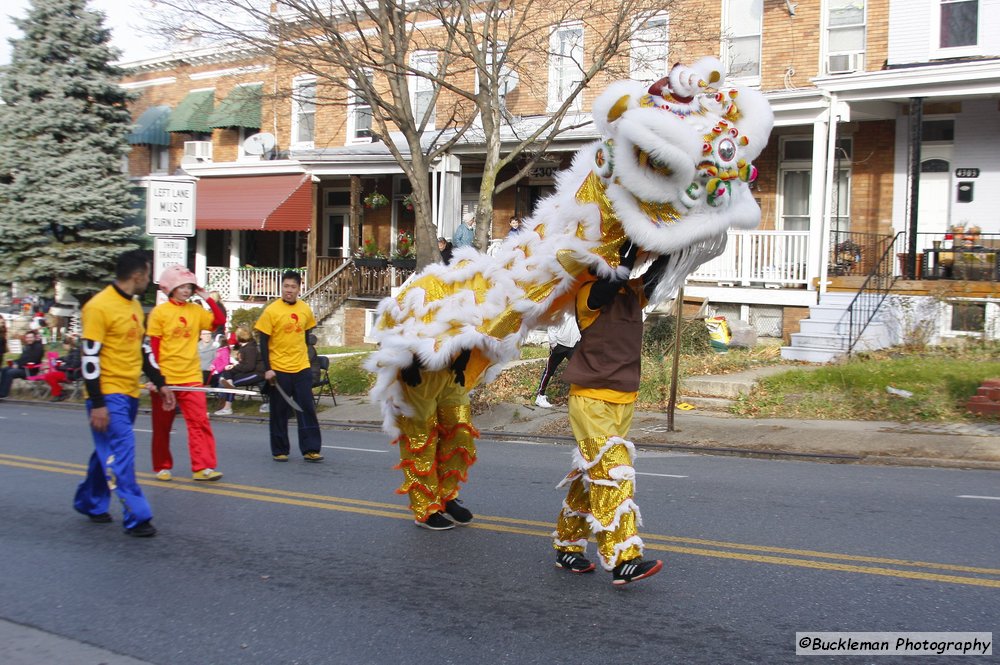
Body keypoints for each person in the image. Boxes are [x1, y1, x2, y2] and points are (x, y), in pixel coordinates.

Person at [552, 242, 668, 585]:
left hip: (624, 399)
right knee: (614, 475)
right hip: (591, 400)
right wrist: (628, 252)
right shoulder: (588, 293)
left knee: (592, 479)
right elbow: (610, 284)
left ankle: (567, 546)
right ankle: (623, 559)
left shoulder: (633, 293)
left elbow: (657, 277)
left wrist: (681, 242)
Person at [73, 248, 174, 537]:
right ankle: (137, 516)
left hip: (129, 392)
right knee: (122, 453)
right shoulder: (97, 307)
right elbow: (89, 358)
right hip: (107, 394)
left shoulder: (133, 305)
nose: (149, 280)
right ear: (137, 275)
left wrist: (161, 382)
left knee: (106, 452)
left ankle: (90, 502)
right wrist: (97, 403)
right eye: (148, 273)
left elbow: (143, 351)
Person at [146, 265, 227, 482]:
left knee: (199, 422)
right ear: (171, 288)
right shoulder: (159, 313)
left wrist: (207, 298)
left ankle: (202, 467)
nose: (186, 290)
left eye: (189, 286)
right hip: (166, 380)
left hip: (191, 377)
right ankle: (162, 466)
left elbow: (219, 321)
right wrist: (156, 379)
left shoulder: (195, 311)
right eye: (181, 286)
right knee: (162, 425)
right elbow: (153, 348)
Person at [394, 349, 477, 530]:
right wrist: (406, 360)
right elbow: (390, 329)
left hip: (451, 369)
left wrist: (465, 353)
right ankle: (426, 508)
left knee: (460, 434)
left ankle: (446, 496)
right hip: (419, 372)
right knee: (421, 441)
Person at [254, 270, 324, 462]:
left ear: (299, 288)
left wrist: (309, 363)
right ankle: (280, 449)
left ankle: (311, 448)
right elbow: (263, 342)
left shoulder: (305, 310)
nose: (289, 290)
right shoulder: (272, 311)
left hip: (301, 367)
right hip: (278, 369)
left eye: (293, 287)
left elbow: (305, 335)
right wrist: (268, 368)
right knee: (279, 411)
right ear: (281, 287)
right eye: (286, 286)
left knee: (306, 408)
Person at [215, 326, 265, 416]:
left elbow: (249, 366)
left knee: (230, 382)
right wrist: (234, 366)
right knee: (227, 374)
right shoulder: (244, 347)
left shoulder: (250, 349)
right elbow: (244, 364)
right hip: (250, 371)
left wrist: (234, 367)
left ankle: (227, 407)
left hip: (258, 373)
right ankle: (227, 383)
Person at [534, 312, 580, 408]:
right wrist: (554, 344)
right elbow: (552, 325)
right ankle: (540, 396)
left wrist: (579, 340)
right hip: (559, 345)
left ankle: (579, 397)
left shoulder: (578, 308)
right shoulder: (563, 309)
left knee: (580, 370)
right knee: (549, 371)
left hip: (573, 346)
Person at [0, 330, 45, 399]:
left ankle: (3, 394)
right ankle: (1, 391)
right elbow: (21, 359)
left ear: (34, 338)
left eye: (31, 337)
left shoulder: (38, 348)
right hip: (22, 368)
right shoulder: (27, 347)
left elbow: (33, 360)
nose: (29, 339)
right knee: (4, 369)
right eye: (27, 337)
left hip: (30, 371)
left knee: (10, 372)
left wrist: (19, 365)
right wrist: (14, 362)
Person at [40, 335, 82, 402]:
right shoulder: (72, 352)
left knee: (49, 376)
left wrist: (60, 367)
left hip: (71, 374)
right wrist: (57, 360)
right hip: (68, 372)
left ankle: (59, 394)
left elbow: (73, 366)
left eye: (63, 345)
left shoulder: (76, 353)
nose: (63, 347)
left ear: (67, 345)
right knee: (49, 376)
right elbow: (65, 358)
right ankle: (60, 392)